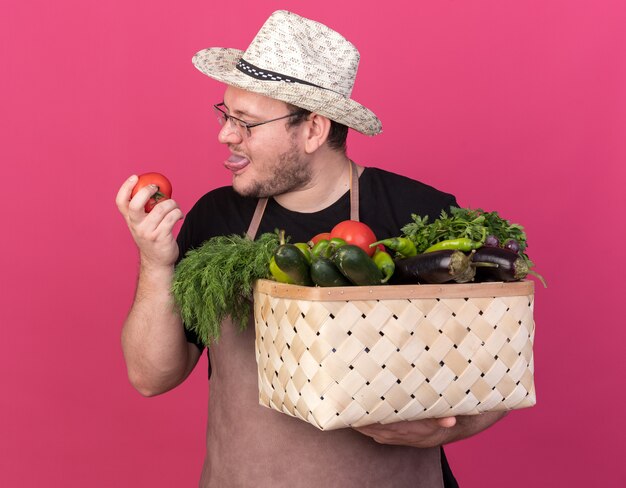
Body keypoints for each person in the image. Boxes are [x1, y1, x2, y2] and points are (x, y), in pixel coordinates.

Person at [116, 10, 507, 487]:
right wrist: (155, 264)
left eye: (247, 123)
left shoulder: (419, 216)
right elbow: (151, 377)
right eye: (225, 115)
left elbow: (497, 372)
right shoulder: (218, 219)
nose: (225, 135)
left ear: (314, 130)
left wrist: (444, 427)